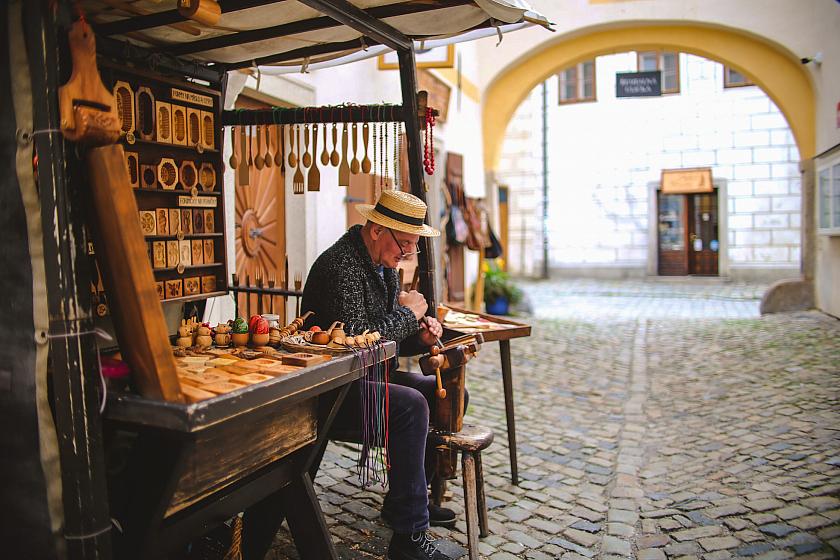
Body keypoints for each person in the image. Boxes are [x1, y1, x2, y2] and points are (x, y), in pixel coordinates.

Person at [301, 190, 463, 560]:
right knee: (411, 406)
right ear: (376, 229)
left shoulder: (383, 265)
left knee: (451, 395)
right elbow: (360, 342)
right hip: (335, 390)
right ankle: (409, 538)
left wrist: (419, 336)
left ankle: (406, 502)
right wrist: (408, 315)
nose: (407, 253)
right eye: (403, 243)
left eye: (412, 245)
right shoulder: (341, 266)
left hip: (371, 379)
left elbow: (390, 341)